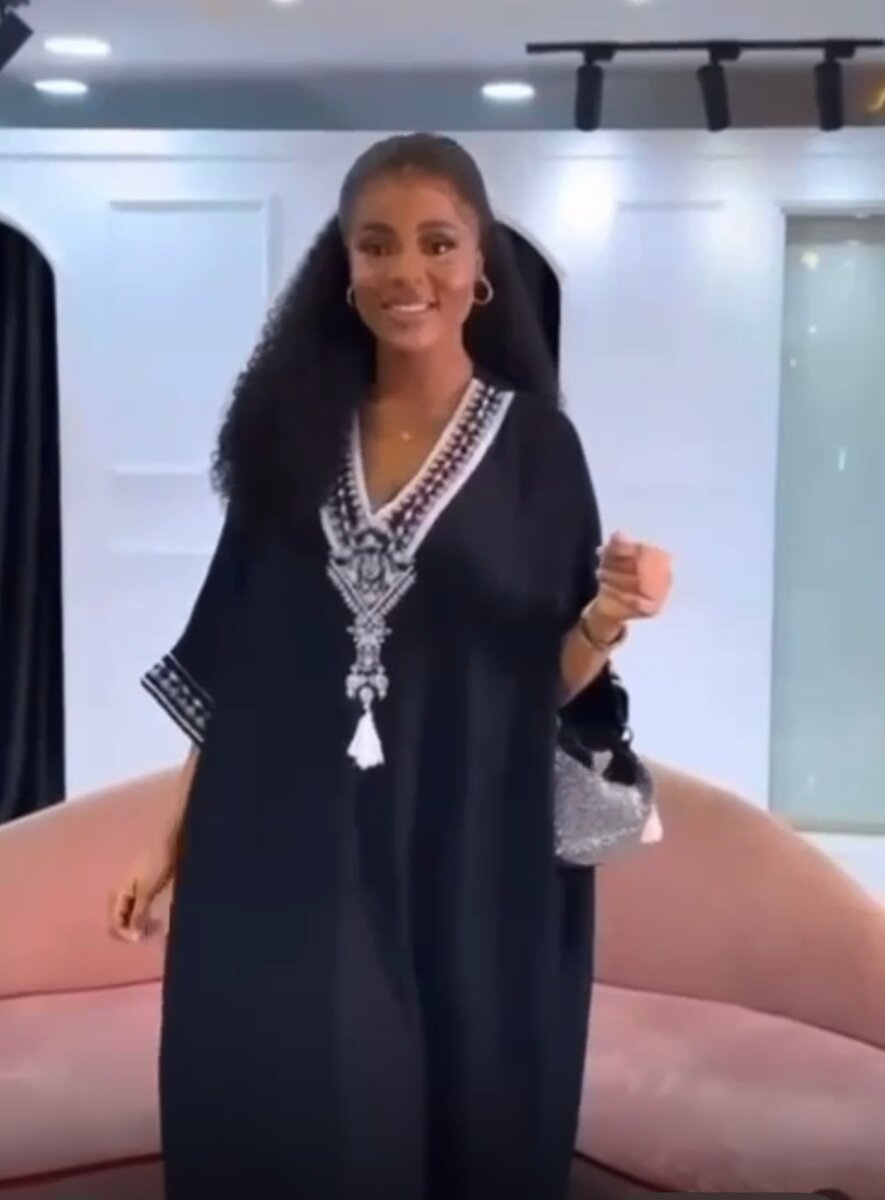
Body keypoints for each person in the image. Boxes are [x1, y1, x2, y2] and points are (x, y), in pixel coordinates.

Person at [109, 133, 672, 1200]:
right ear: (345, 266)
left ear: (480, 265)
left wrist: (606, 615)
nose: (405, 271)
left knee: (456, 1114)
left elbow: (545, 690)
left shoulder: (538, 451)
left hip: (466, 844)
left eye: (436, 243)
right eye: (375, 245)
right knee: (300, 1109)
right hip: (289, 839)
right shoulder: (291, 439)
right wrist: (168, 840)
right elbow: (237, 662)